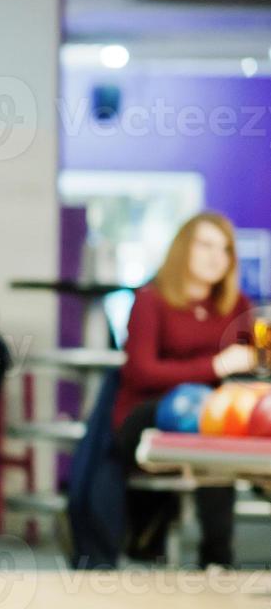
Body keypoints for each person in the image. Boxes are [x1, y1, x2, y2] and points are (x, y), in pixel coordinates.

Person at [114, 212, 253, 568]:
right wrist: (217, 365)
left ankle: (217, 559)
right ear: (183, 249)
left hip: (214, 422)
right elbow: (141, 372)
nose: (215, 257)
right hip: (146, 417)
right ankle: (217, 559)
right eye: (205, 245)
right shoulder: (150, 300)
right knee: (210, 424)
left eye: (225, 249)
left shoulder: (239, 307)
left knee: (219, 430)